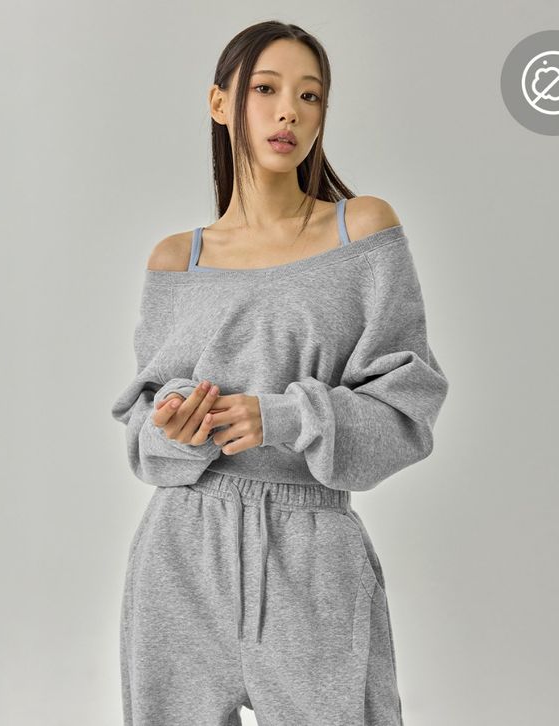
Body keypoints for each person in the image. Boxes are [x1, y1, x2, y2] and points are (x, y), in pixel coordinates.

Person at [110, 19, 449, 726]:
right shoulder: (176, 259)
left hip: (313, 554)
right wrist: (176, 424)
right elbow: (142, 433)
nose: (288, 111)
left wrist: (285, 417)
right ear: (220, 103)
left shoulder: (362, 231)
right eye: (265, 89)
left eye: (309, 95)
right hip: (180, 555)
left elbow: (408, 410)